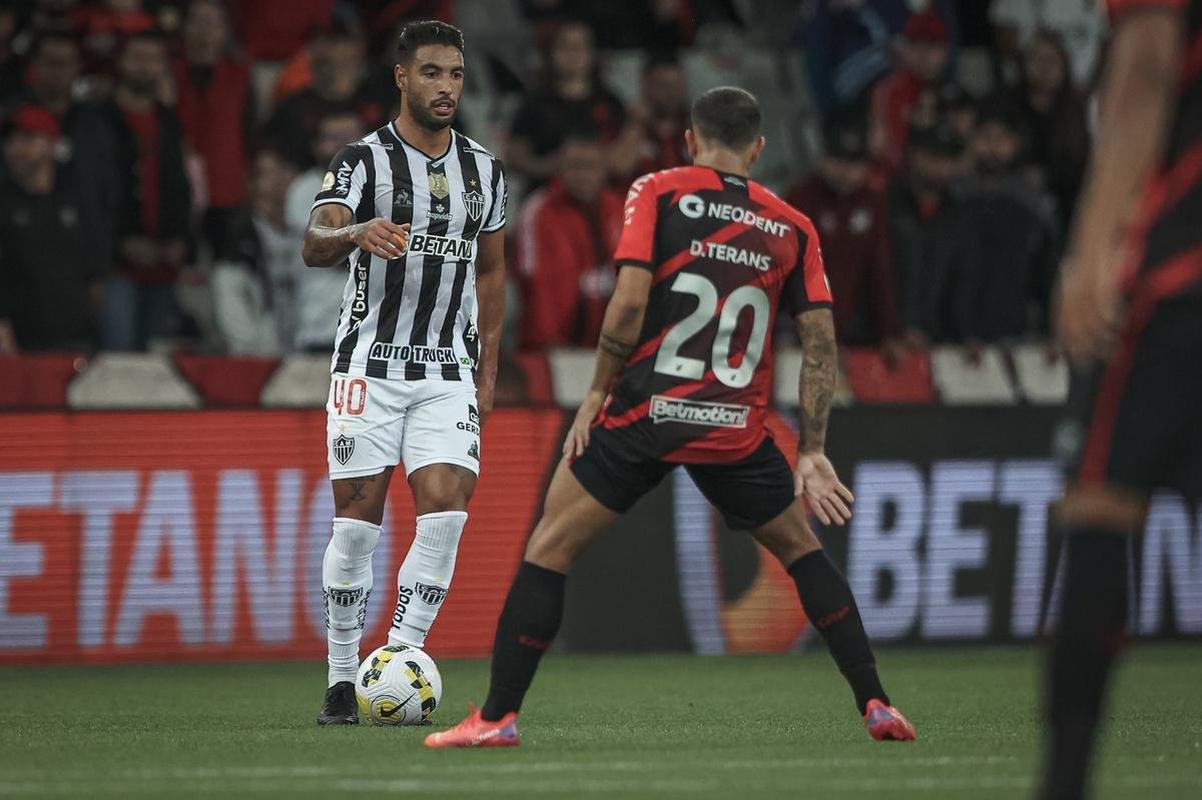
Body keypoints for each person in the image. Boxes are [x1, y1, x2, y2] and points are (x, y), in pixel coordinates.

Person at [425, 86, 916, 748]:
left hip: (645, 414)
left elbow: (628, 303)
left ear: (690, 139)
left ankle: (497, 718)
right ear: (757, 149)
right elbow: (821, 345)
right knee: (804, 554)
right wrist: (812, 449)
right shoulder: (793, 225)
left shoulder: (657, 190)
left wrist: (596, 393)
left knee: (549, 549)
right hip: (735, 430)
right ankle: (876, 702)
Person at [301, 20, 508, 726]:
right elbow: (313, 243)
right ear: (401, 77)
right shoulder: (362, 162)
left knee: (445, 510)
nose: (446, 87)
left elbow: (494, 271)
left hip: (448, 368)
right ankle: (340, 676)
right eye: (431, 73)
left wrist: (488, 370)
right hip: (369, 365)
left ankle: (399, 655)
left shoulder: (486, 171)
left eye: (455, 74)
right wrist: (355, 231)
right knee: (358, 526)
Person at [1042, 2, 1202, 797]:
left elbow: (1145, 66)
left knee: (1100, 506)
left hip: (1178, 274)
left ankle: (1065, 783)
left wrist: (1094, 244)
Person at [97, 30, 192, 352]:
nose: (145, 67)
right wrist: (121, 242)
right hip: (113, 266)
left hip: (162, 264)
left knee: (156, 365)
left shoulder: (169, 120)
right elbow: (94, 193)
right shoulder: (100, 119)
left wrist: (179, 238)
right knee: (118, 357)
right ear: (121, 62)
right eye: (137, 58)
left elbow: (181, 184)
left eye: (153, 59)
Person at [786, 109, 901, 351]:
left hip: (855, 337)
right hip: (799, 334)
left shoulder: (873, 204)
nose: (846, 171)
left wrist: (888, 332)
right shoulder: (800, 199)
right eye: (838, 160)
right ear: (823, 157)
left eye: (855, 163)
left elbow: (881, 272)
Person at [0, 105, 101, 353]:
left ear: (52, 144)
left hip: (77, 334)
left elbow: (92, 266)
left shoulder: (75, 199)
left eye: (28, 139)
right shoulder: (4, 202)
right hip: (21, 339)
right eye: (10, 141)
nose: (16, 148)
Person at [962, 103, 1059, 342]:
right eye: (985, 136)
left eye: (1002, 138)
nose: (993, 146)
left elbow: (1048, 271)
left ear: (1016, 143)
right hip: (956, 334)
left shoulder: (1033, 203)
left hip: (1017, 331)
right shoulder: (954, 197)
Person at [516, 133, 623, 348]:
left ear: (604, 169)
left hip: (609, 347)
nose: (584, 175)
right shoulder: (538, 211)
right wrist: (549, 346)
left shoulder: (618, 208)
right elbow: (533, 284)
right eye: (576, 166)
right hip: (554, 347)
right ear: (560, 168)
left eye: (592, 167)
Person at [171, 0, 253, 254]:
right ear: (184, 27)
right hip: (176, 183)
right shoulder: (168, 72)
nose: (204, 30)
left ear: (226, 30)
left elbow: (250, 132)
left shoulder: (240, 75)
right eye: (198, 21)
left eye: (213, 23)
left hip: (225, 184)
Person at [885, 122, 978, 345]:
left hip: (939, 342)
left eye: (948, 158)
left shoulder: (959, 215)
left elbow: (962, 281)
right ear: (914, 155)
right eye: (934, 156)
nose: (942, 166)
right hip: (884, 342)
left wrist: (965, 334)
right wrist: (894, 330)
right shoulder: (886, 205)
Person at [505, 18, 627, 187]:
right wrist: (553, 166)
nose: (573, 53)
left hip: (601, 195)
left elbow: (624, 160)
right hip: (546, 193)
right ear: (551, 53)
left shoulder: (611, 103)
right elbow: (514, 157)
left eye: (580, 46)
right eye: (565, 46)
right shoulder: (534, 103)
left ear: (593, 53)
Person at [285, 110, 365, 353]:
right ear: (317, 145)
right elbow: (330, 251)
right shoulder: (305, 188)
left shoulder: (380, 187)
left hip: (368, 331)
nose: (342, 145)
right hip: (320, 328)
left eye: (349, 137)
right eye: (333, 137)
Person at [265, 17, 381, 169]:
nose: (326, 50)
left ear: (358, 47)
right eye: (317, 41)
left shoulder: (381, 95)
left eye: (335, 41)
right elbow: (275, 164)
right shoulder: (292, 109)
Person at [869, 9, 951, 172]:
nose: (923, 54)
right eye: (915, 45)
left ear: (945, 50)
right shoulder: (888, 90)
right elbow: (883, 149)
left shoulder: (952, 92)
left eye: (931, 45)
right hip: (898, 177)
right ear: (904, 48)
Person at [610, 51, 690, 181]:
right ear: (645, 85)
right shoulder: (626, 123)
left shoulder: (694, 127)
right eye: (663, 85)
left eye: (677, 85)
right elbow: (619, 168)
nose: (671, 93)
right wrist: (636, 124)